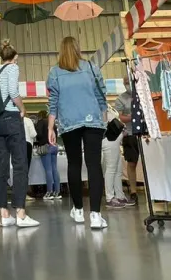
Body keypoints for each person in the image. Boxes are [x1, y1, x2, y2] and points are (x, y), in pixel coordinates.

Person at [47, 36, 109, 230]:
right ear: (78, 48)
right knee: (94, 165)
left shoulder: (54, 72)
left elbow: (53, 102)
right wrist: (104, 118)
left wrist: (50, 127)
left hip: (69, 123)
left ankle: (79, 211)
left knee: (74, 164)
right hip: (93, 121)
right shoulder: (91, 67)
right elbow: (101, 95)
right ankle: (97, 215)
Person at [0, 41, 39, 228]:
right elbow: (12, 91)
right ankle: (20, 213)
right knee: (20, 165)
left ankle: (4, 215)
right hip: (11, 118)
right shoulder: (12, 68)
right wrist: (22, 108)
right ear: (14, 58)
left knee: (1, 166)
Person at [116, 88, 140, 206]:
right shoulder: (121, 99)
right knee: (131, 163)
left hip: (144, 134)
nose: (127, 84)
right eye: (125, 81)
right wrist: (134, 117)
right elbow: (121, 118)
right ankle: (133, 191)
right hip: (129, 134)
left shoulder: (141, 93)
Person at [101, 107, 129, 209]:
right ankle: (110, 197)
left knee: (117, 170)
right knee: (111, 169)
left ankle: (119, 195)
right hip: (109, 140)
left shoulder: (107, 106)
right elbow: (106, 121)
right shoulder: (99, 105)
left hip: (114, 140)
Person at [35, 111, 62, 200]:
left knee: (48, 170)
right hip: (54, 146)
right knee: (54, 169)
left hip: (46, 147)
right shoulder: (52, 123)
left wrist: (38, 140)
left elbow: (38, 135)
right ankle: (57, 192)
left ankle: (49, 192)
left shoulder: (40, 122)